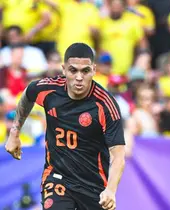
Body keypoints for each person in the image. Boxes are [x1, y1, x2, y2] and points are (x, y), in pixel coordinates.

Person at [4, 43, 126, 210]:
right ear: (63, 69)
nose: (79, 77)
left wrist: (111, 190)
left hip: (93, 185)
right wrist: (15, 132)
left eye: (85, 71)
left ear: (94, 70)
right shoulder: (48, 89)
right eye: (73, 70)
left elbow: (118, 156)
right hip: (57, 178)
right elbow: (28, 95)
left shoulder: (105, 105)